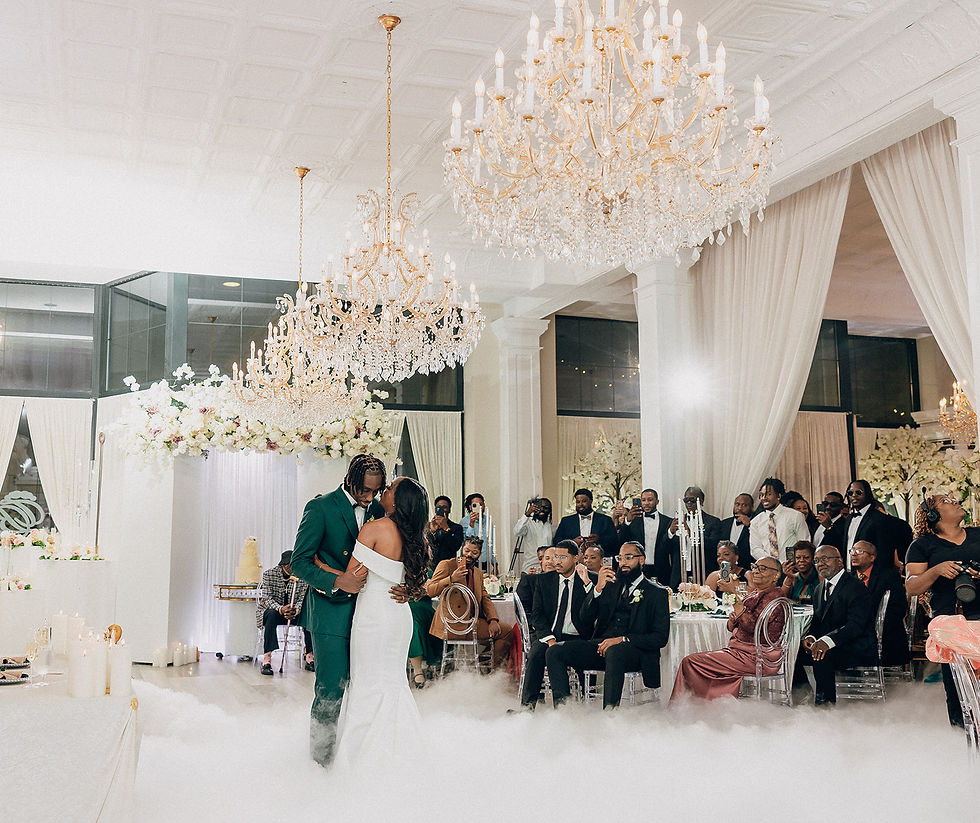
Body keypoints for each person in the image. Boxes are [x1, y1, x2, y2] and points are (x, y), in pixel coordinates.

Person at [323, 476, 431, 768]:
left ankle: (363, 761)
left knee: (368, 683)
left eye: (391, 488)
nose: (385, 490)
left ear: (397, 501)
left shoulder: (374, 529)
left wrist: (320, 565)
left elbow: (352, 580)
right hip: (398, 615)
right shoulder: (416, 536)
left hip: (374, 617)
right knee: (393, 683)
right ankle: (403, 757)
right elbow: (417, 582)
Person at [289, 454, 389, 766]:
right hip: (330, 612)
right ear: (349, 480)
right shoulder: (319, 508)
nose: (369, 497)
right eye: (364, 491)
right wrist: (337, 580)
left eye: (375, 491)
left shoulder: (378, 510)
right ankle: (320, 762)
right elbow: (299, 562)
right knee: (331, 689)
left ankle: (355, 759)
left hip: (369, 612)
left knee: (365, 688)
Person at [546, 541, 670, 709]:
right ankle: (564, 709)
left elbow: (660, 637)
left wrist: (622, 639)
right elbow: (585, 618)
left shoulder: (657, 593)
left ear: (642, 560)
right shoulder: (611, 586)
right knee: (555, 651)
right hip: (601, 647)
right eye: (620, 558)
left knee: (614, 651)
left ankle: (610, 713)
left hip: (637, 654)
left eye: (629, 557)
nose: (623, 563)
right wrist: (597, 589)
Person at [905, 493, 980, 727]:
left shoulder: (978, 535)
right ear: (933, 515)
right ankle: (962, 735)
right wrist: (937, 570)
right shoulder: (922, 545)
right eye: (947, 501)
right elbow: (912, 587)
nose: (956, 500)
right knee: (957, 686)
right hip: (949, 623)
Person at [671, 557, 786, 701]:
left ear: (776, 575)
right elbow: (735, 627)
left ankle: (690, 707)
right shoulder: (757, 593)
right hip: (742, 652)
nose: (756, 571)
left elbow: (751, 626)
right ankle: (713, 707)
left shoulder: (773, 596)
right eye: (755, 567)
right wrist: (733, 620)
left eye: (763, 568)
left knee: (690, 662)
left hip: (757, 657)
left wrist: (732, 593)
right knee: (704, 665)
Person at [520, 540, 596, 708]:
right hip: (551, 634)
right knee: (536, 652)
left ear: (576, 558)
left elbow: (596, 613)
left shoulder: (590, 579)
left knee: (556, 654)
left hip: (578, 637)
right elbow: (537, 615)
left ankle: (563, 708)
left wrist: (587, 585)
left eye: (563, 557)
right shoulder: (544, 580)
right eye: (555, 556)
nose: (557, 561)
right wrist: (549, 639)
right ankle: (527, 707)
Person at [798, 545, 877, 705]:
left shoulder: (856, 587)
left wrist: (826, 642)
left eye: (825, 559)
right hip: (833, 644)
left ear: (840, 561)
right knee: (793, 653)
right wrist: (811, 637)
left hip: (856, 646)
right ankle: (802, 699)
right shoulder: (820, 589)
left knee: (822, 653)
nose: (820, 564)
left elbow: (856, 625)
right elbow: (818, 622)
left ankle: (825, 706)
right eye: (817, 561)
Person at [427, 536, 514, 669]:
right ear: (462, 549)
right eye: (467, 550)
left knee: (505, 630)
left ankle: (478, 667)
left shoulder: (478, 573)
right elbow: (430, 590)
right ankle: (483, 670)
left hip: (471, 623)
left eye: (474, 552)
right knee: (506, 632)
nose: (469, 555)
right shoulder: (447, 565)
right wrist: (451, 578)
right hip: (451, 624)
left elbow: (485, 597)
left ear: (479, 554)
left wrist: (493, 620)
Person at [849, 540, 909, 667]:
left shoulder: (888, 576)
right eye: (852, 551)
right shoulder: (849, 579)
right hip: (855, 632)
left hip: (885, 634)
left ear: (872, 557)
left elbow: (898, 608)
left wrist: (872, 625)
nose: (854, 554)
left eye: (859, 551)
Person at [256, 550, 312, 675]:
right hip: (274, 612)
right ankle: (267, 658)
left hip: (294, 613)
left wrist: (295, 610)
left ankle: (309, 655)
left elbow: (302, 599)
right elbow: (267, 599)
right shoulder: (269, 575)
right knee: (271, 614)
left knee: (309, 614)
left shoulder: (302, 577)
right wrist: (281, 609)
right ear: (287, 566)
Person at [613, 488, 674, 581]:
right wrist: (627, 521)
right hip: (638, 569)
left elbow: (669, 547)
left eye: (650, 500)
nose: (646, 503)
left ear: (657, 501)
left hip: (662, 569)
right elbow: (621, 540)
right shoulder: (633, 521)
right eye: (643, 500)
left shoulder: (667, 521)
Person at [749, 477, 809, 563]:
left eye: (768, 494)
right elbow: (755, 549)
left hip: (792, 566)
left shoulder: (795, 516)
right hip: (768, 568)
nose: (764, 498)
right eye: (761, 495)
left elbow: (804, 543)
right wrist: (772, 563)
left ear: (779, 496)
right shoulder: (755, 522)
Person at [552, 488, 619, 555]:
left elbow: (615, 541)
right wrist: (572, 542)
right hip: (573, 559)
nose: (580, 504)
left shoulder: (605, 520)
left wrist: (599, 540)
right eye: (578, 502)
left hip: (599, 559)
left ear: (591, 501)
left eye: (584, 501)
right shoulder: (566, 521)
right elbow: (557, 541)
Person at [841, 480, 889, 570]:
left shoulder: (879, 518)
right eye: (850, 493)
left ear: (867, 493)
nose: (854, 495)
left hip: (871, 573)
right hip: (850, 571)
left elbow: (884, 550)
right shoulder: (849, 518)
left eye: (858, 492)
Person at [714, 493, 755, 571]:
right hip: (725, 569)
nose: (739, 508)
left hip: (748, 569)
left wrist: (750, 525)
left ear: (752, 507)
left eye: (744, 505)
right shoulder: (723, 524)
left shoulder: (756, 524)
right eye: (737, 504)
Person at [516, 546, 555, 622]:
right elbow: (522, 609)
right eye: (546, 558)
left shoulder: (564, 581)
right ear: (541, 562)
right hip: (536, 627)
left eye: (553, 558)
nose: (549, 561)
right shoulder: (530, 580)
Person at [515, 497, 554, 571]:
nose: (542, 509)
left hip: (547, 566)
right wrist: (527, 514)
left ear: (549, 511)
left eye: (545, 508)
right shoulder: (528, 523)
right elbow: (517, 531)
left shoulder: (552, 526)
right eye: (540, 507)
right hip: (531, 565)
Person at [427, 495, 464, 568]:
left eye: (444, 507)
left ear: (449, 510)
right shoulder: (428, 526)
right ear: (435, 509)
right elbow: (426, 545)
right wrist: (432, 532)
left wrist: (446, 528)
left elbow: (455, 547)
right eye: (439, 507)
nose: (442, 509)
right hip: (430, 566)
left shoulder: (456, 528)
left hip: (448, 566)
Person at [462, 493, 496, 567]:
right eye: (476, 505)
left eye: (481, 504)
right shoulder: (464, 521)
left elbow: (492, 542)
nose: (480, 507)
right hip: (471, 561)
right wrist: (471, 524)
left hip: (486, 562)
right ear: (470, 507)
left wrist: (495, 563)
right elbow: (467, 541)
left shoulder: (488, 520)